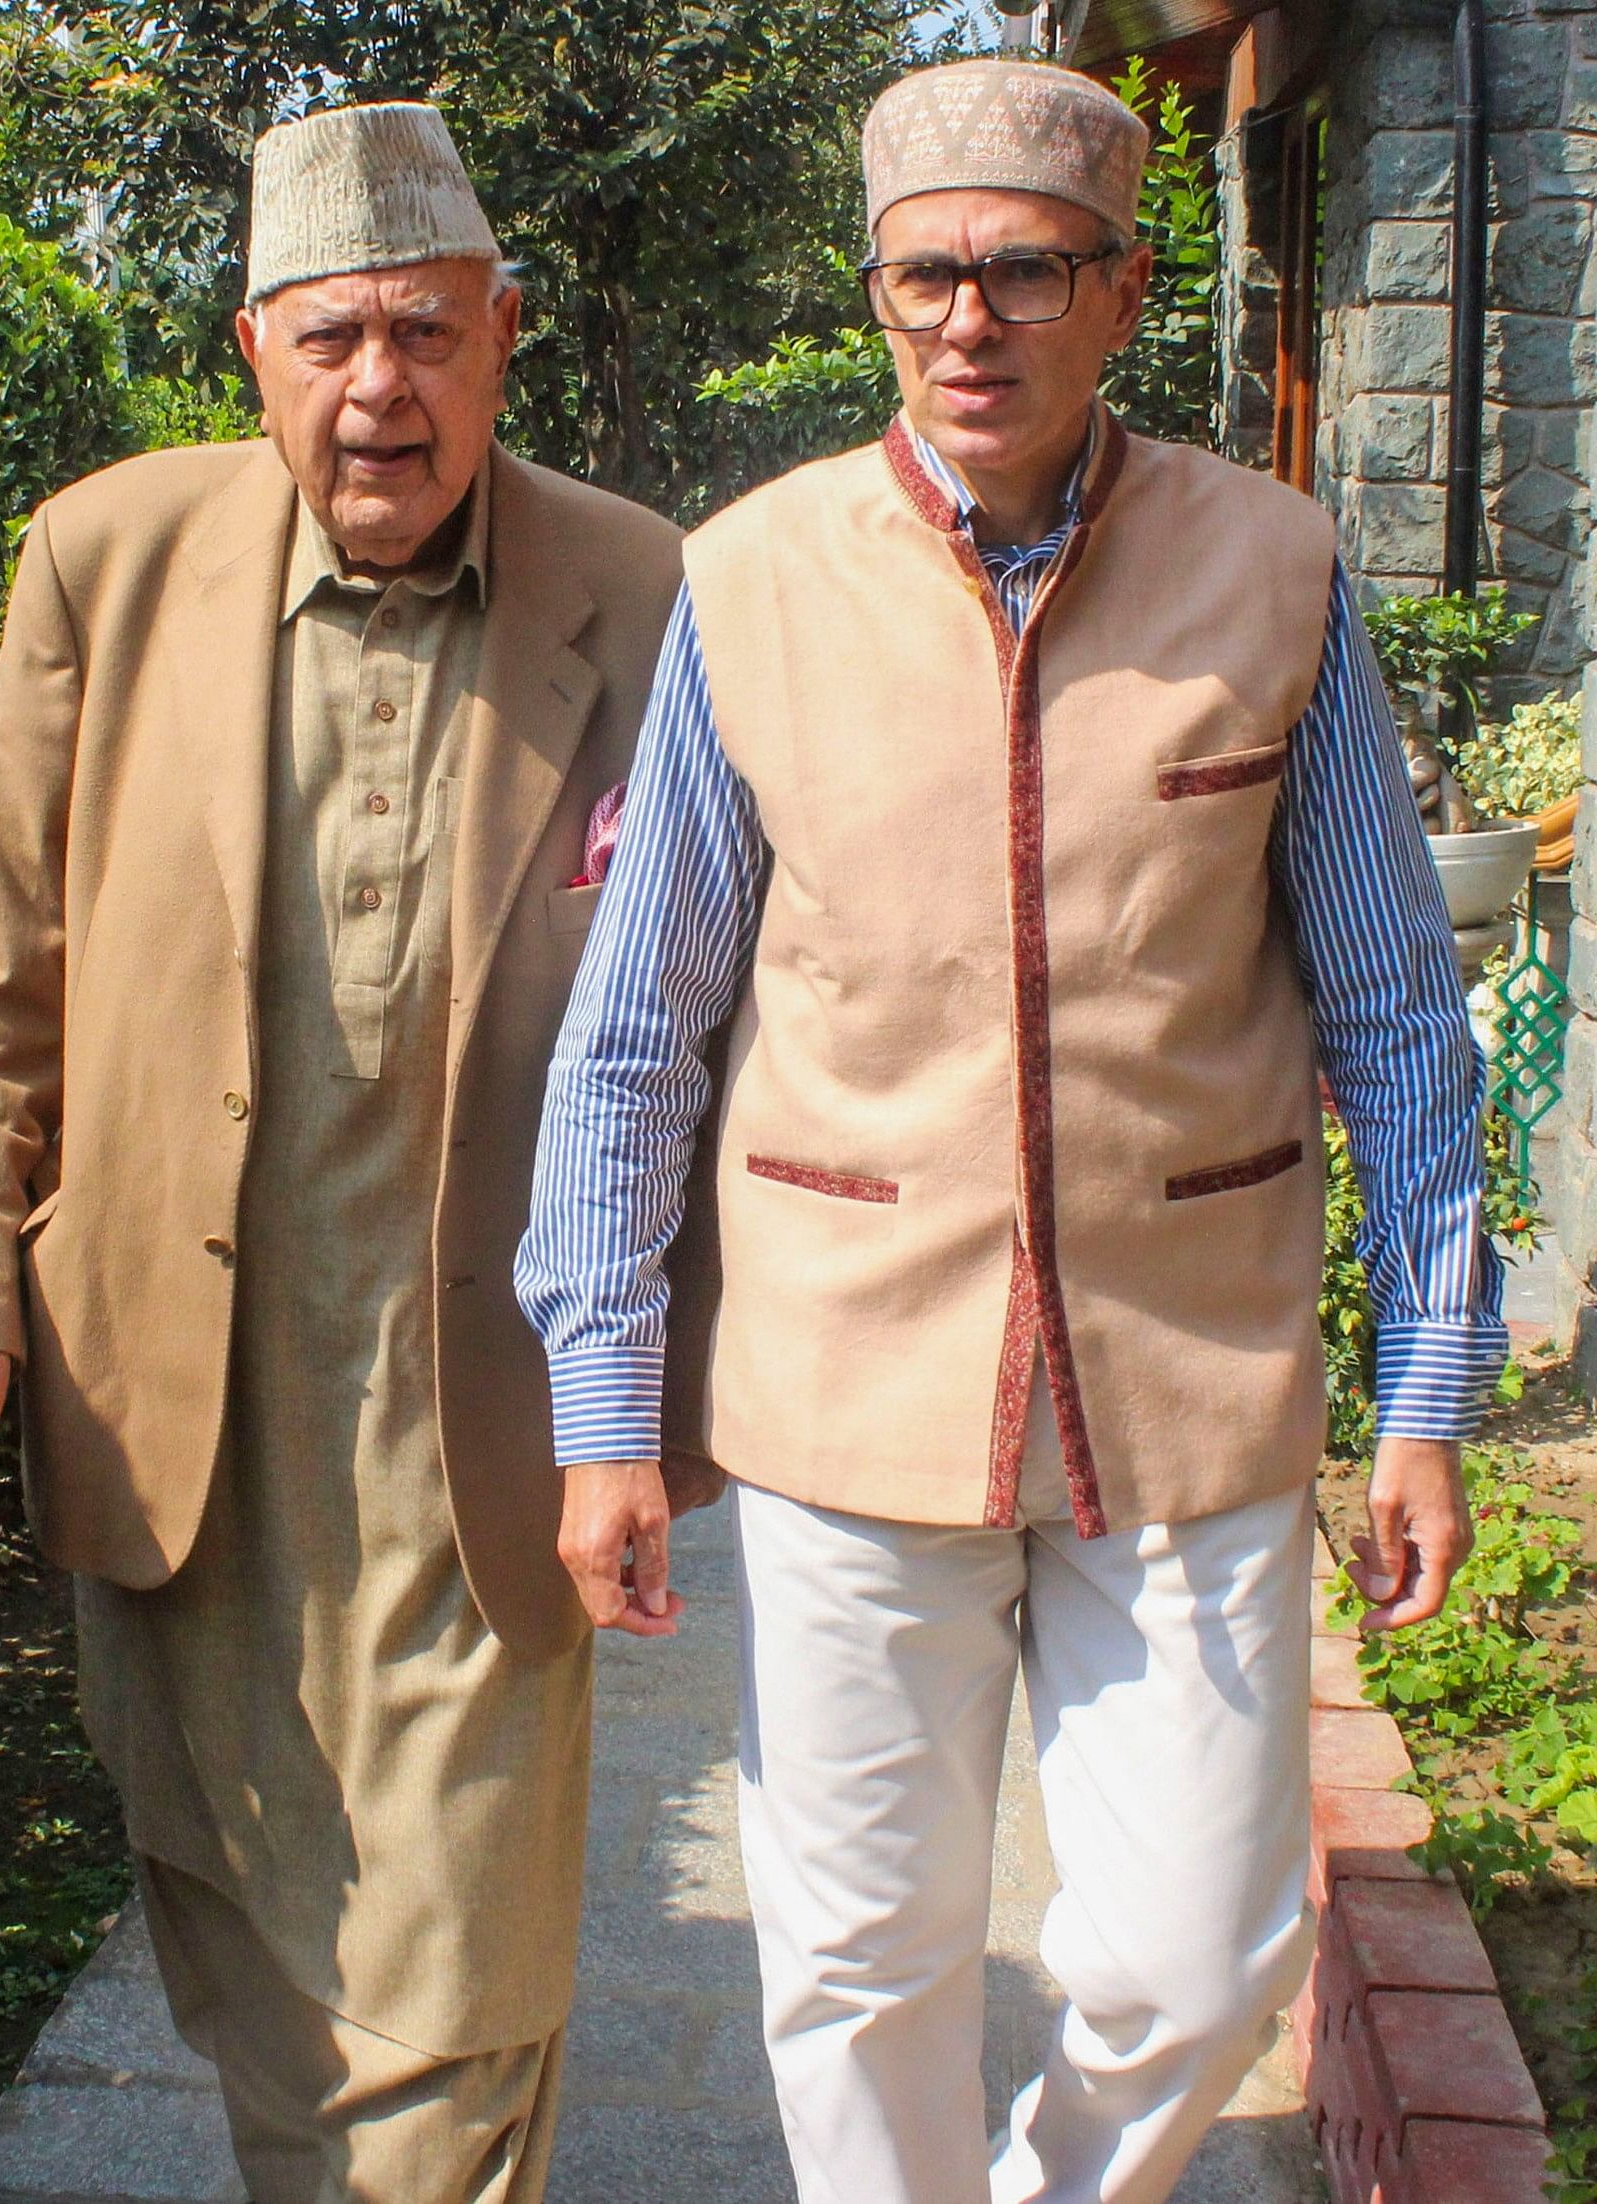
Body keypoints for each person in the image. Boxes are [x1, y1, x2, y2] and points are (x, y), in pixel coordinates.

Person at [513, 58, 1498, 2204]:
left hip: (1189, 1369)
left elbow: (1399, 1013)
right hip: (849, 1367)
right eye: (925, 277)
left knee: (1192, 1959)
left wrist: (1424, 1387)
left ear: (1121, 289)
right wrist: (604, 1403)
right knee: (858, 1953)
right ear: (874, 292)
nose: (971, 321)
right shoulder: (754, 579)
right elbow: (636, 1031)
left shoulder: (1273, 571)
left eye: (1026, 273)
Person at [0, 100, 697, 2203]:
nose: (379, 388)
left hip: (488, 1422)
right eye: (330, 337)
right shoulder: (104, 559)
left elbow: (721, 1000)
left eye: (426, 332)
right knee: (256, 1961)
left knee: (454, 1993)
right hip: (186, 1399)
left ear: (502, 332)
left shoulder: (644, 589)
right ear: (250, 349)